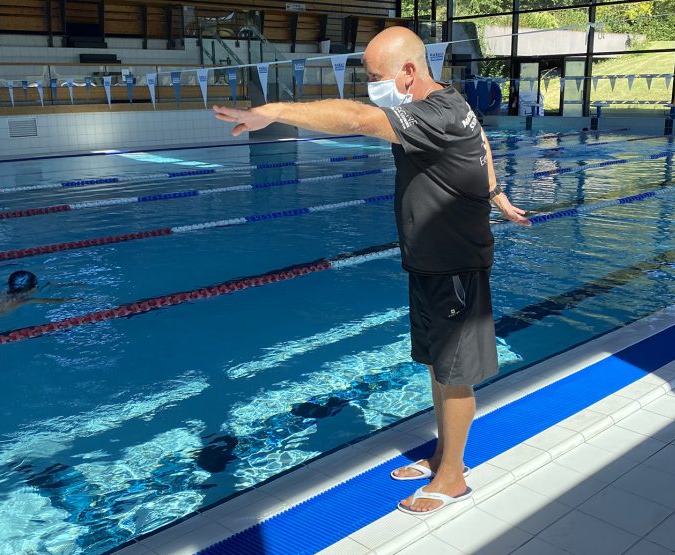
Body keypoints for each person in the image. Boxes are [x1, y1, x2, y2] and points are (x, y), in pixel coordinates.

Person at [214, 26, 530, 515]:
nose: (372, 87)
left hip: (454, 265)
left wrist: (273, 111)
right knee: (437, 367)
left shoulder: (434, 112)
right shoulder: (451, 101)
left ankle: (453, 479)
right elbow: (483, 140)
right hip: (431, 263)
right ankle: (443, 456)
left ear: (408, 72)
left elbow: (359, 119)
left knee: (455, 373)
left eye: (377, 76)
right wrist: (494, 193)